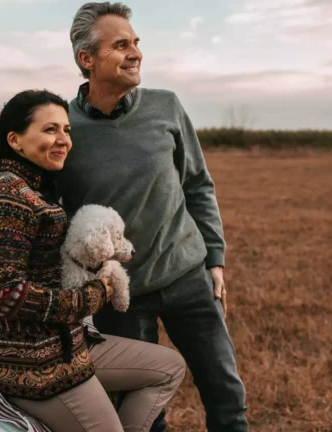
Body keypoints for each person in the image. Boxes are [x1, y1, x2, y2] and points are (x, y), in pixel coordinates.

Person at [58, 3, 249, 431]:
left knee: (226, 395)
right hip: (120, 296)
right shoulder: (65, 130)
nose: (135, 53)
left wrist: (214, 258)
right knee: (141, 414)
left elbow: (197, 184)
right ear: (86, 59)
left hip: (188, 278)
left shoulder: (166, 106)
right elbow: (58, 217)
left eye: (136, 43)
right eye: (121, 45)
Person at [0, 89, 185, 432]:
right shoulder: (6, 197)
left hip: (66, 343)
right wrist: (97, 293)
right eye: (50, 129)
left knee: (169, 367)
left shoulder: (34, 189)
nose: (63, 139)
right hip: (32, 363)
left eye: (67, 130)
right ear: (15, 140)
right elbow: (4, 295)